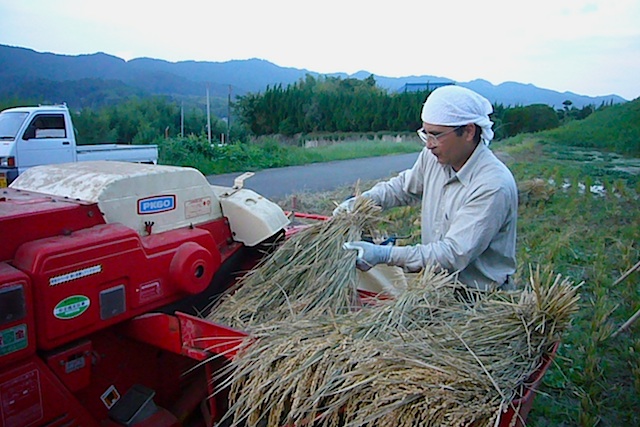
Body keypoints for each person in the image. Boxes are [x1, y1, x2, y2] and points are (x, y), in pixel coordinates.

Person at [338, 85, 517, 291]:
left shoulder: (492, 185)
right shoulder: (435, 157)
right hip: (436, 287)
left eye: (436, 135)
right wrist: (361, 203)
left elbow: (452, 254)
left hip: (477, 299)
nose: (429, 144)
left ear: (468, 131)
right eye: (426, 134)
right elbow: (403, 188)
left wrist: (385, 255)